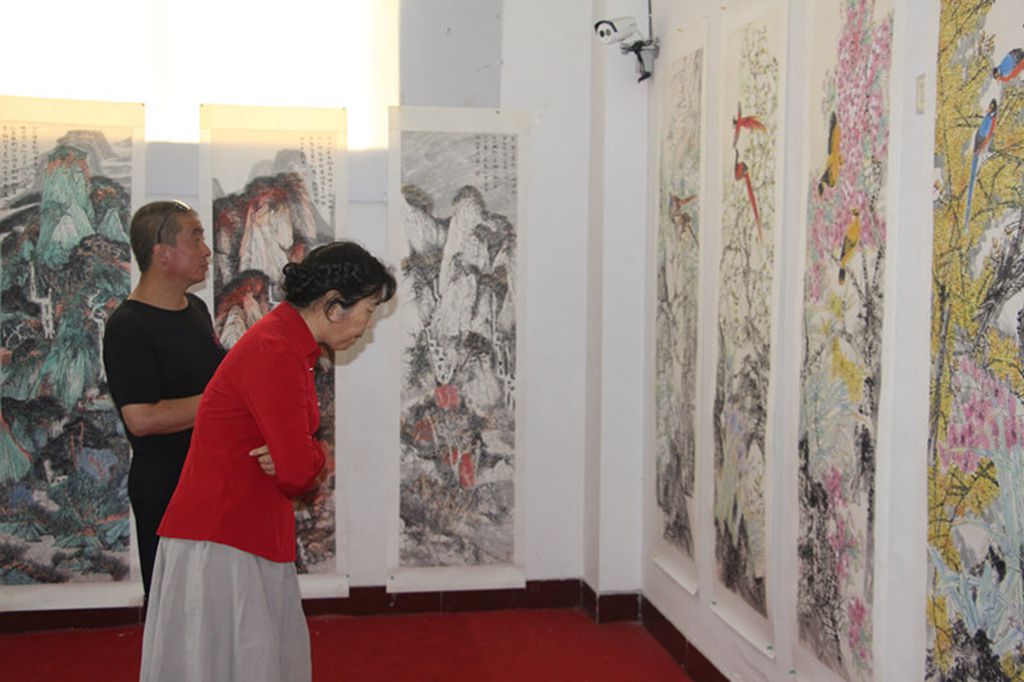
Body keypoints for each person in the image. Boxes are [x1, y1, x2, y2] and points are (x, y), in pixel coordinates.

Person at [139, 241, 396, 682]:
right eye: (368, 310)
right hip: (224, 537)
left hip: (240, 530)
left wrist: (300, 454)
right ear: (334, 306)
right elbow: (297, 472)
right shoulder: (277, 350)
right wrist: (308, 454)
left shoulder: (287, 344)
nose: (367, 325)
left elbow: (294, 461)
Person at [102, 200, 228, 598]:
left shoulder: (197, 309)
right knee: (175, 606)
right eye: (195, 237)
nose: (207, 251)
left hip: (212, 479)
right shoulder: (128, 326)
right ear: (162, 252)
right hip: (167, 488)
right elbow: (142, 418)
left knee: (215, 603)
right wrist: (224, 399)